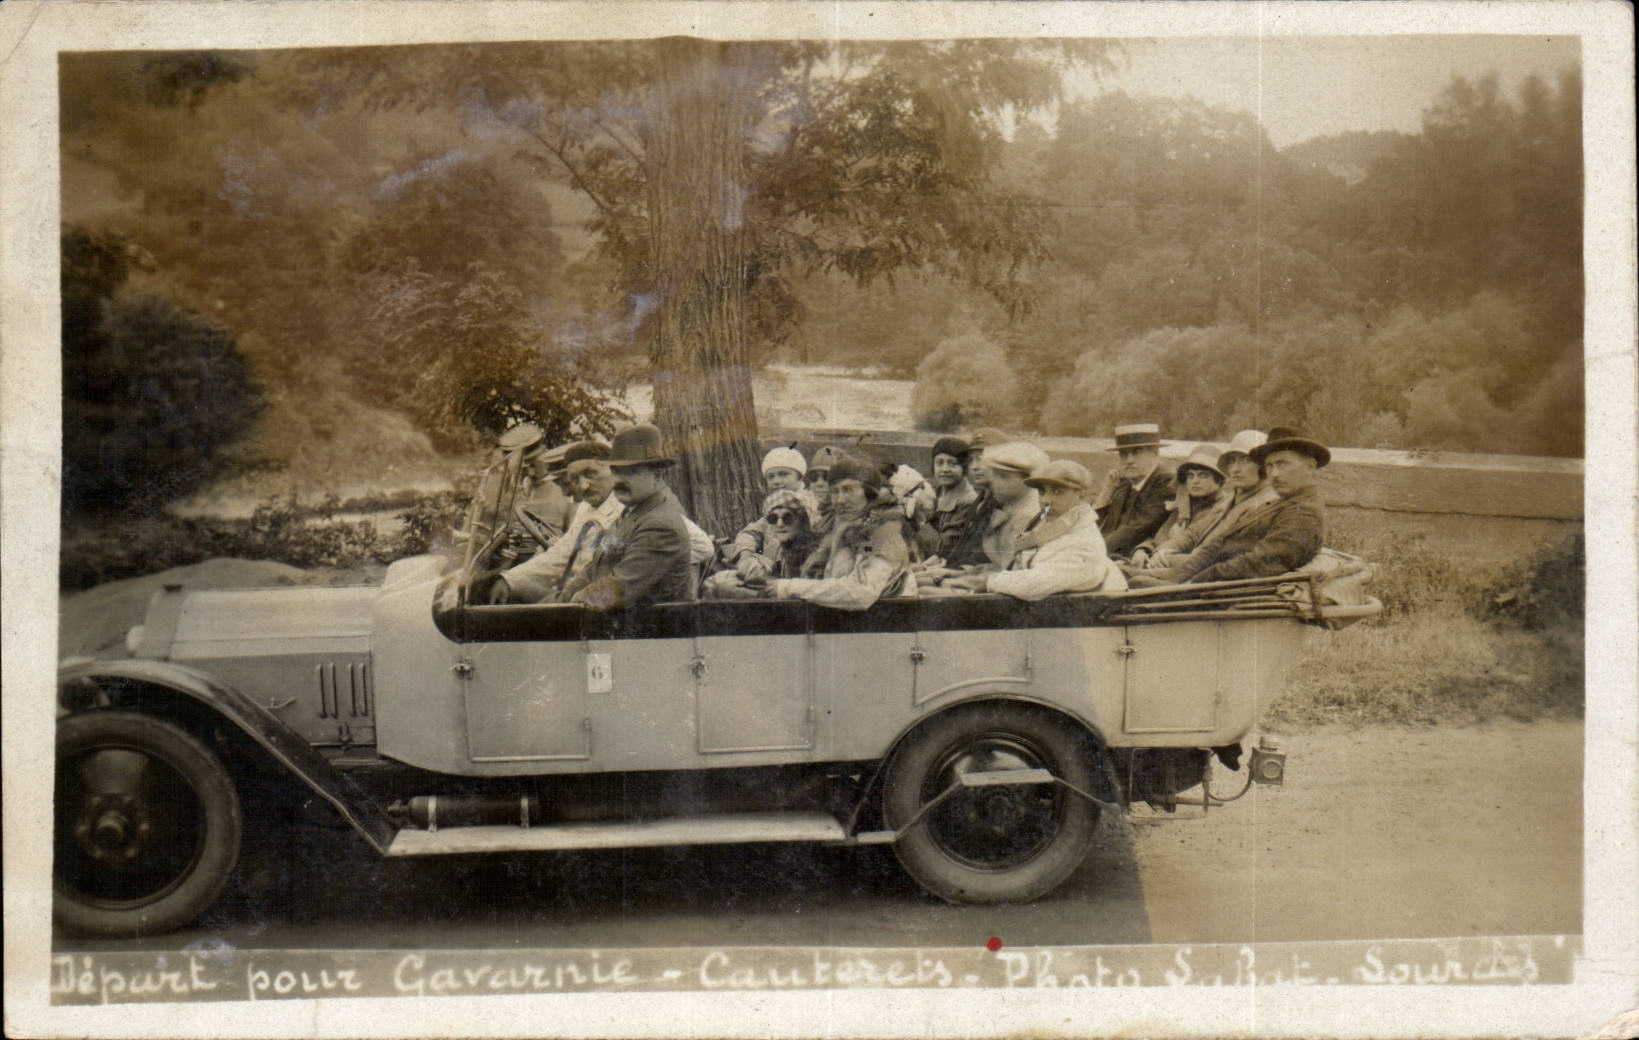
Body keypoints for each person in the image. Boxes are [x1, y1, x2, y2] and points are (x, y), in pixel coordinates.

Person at [1132, 427, 1328, 586]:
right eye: (1270, 466)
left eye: (1282, 464)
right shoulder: (1278, 503)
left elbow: (1261, 562)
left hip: (1228, 590)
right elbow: (1219, 543)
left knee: (1131, 582)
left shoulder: (1304, 511)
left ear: (1310, 466)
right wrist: (1174, 576)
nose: (1274, 474)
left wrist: (1194, 580)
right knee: (1130, 578)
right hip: (1206, 575)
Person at [944, 460, 1126, 600]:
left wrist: (988, 581)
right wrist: (966, 577)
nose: (1046, 500)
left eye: (1058, 492)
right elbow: (1019, 565)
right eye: (1042, 492)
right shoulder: (1055, 527)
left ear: (1081, 495)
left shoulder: (1083, 542)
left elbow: (1035, 584)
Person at [558, 424, 694, 610]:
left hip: (648, 626)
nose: (619, 480)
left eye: (631, 472)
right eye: (616, 471)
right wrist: (563, 596)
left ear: (657, 476)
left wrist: (569, 604)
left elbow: (617, 590)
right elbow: (595, 567)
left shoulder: (660, 525)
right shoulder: (630, 513)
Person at [766, 456, 915, 610]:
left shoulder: (886, 532)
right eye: (835, 492)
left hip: (891, 618)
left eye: (848, 490)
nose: (839, 500)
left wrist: (791, 587)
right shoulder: (844, 528)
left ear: (869, 493)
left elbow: (862, 591)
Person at [489, 441, 621, 603]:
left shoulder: (622, 508)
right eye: (575, 479)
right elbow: (563, 551)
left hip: (594, 599)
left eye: (590, 474)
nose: (583, 486)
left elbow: (591, 572)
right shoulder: (588, 506)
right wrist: (509, 579)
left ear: (612, 469)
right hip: (576, 590)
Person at [701, 489, 820, 599]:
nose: (779, 524)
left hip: (797, 603)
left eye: (787, 518)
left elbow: (803, 591)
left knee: (724, 588)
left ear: (803, 521)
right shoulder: (787, 547)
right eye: (773, 519)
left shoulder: (812, 550)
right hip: (783, 594)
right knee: (717, 581)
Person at [1128, 443, 1230, 570]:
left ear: (1220, 480)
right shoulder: (1184, 508)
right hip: (1161, 563)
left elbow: (1204, 555)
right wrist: (1142, 551)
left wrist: (1161, 557)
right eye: (1190, 476)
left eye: (1202, 475)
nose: (1195, 481)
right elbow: (1160, 538)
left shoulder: (1223, 510)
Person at [1094, 423, 1176, 559]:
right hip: (1111, 554)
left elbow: (1137, 529)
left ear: (1154, 453)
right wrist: (1106, 493)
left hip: (1139, 557)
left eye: (1137, 452)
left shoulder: (1165, 481)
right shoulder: (1123, 482)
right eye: (1124, 454)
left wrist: (1094, 550)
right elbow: (1095, 524)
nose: (1129, 461)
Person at [920, 436, 982, 559]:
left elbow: (944, 549)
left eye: (953, 464)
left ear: (964, 467)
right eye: (939, 463)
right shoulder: (938, 492)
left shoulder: (967, 501)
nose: (945, 469)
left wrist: (920, 522)